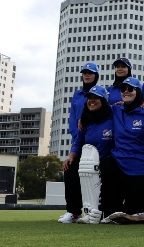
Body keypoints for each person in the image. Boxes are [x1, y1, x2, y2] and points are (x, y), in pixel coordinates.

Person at [103, 77, 144, 224]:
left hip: (142, 167)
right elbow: (95, 108)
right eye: (123, 89)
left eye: (130, 89)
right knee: (105, 163)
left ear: (138, 92)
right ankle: (105, 211)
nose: (126, 92)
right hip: (119, 163)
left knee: (134, 211)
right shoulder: (115, 109)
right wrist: (82, 117)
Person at [62, 85, 115, 224]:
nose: (91, 101)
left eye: (95, 98)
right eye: (89, 98)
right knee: (70, 168)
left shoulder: (114, 116)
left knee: (107, 168)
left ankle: (107, 213)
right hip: (89, 161)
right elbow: (78, 142)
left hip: (108, 159)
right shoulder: (85, 120)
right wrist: (71, 157)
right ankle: (73, 212)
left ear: (104, 100)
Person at [58, 61, 99, 224]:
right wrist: (76, 139)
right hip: (79, 141)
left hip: (97, 142)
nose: (87, 75)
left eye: (90, 72)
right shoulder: (77, 95)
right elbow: (73, 119)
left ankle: (96, 211)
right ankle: (74, 212)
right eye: (84, 72)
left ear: (96, 75)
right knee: (70, 169)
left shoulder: (101, 92)